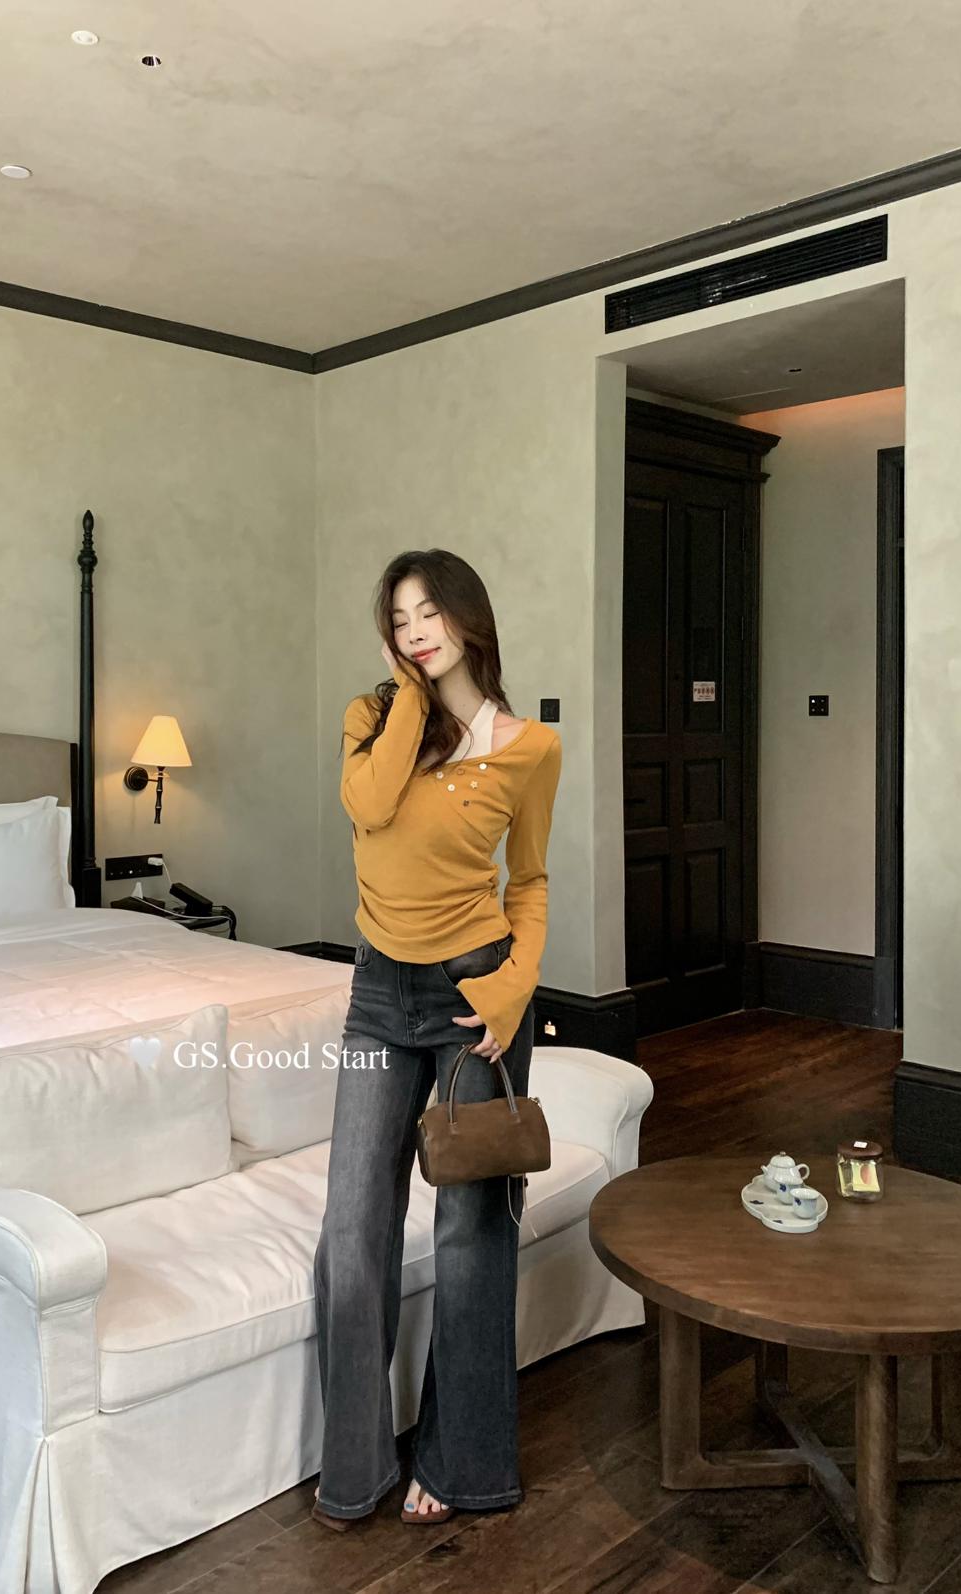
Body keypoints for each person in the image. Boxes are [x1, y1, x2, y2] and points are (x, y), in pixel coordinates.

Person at [311, 548, 563, 1530]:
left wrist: (511, 992)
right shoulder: (370, 720)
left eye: (430, 613)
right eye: (399, 618)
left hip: (474, 994)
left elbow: (528, 882)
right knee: (351, 1228)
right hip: (378, 991)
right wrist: (414, 694)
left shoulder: (529, 749)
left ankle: (462, 1463)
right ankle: (355, 1466)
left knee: (471, 1232)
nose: (415, 631)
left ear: (467, 617)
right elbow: (369, 806)